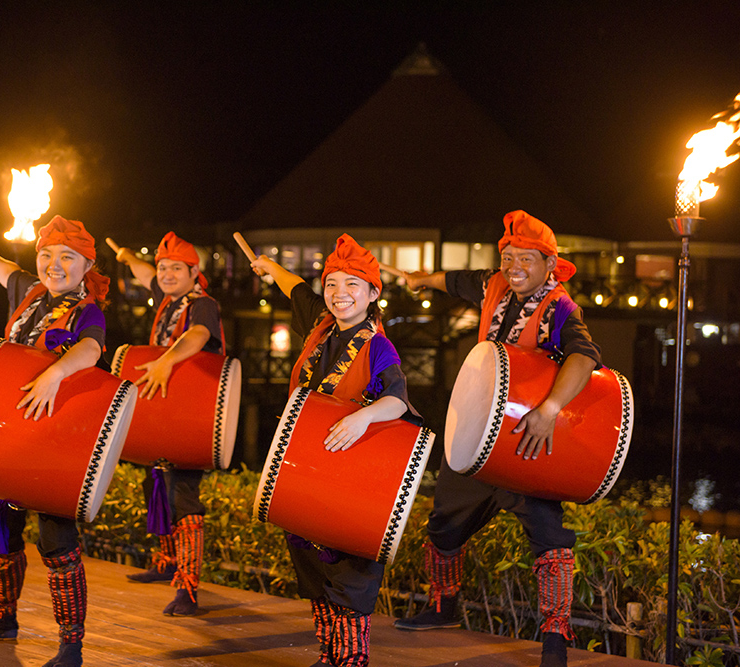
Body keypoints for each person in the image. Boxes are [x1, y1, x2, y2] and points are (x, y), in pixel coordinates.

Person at [391, 211, 602, 667]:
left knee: (549, 536)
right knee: (444, 523)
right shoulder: (494, 285)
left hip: (526, 440)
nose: (514, 267)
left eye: (526, 258)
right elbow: (455, 280)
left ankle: (555, 639)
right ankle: (444, 607)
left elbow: (585, 357)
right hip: (478, 432)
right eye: (508, 257)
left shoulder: (561, 307)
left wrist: (549, 410)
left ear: (550, 264)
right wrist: (420, 280)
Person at [0, 215, 110, 667]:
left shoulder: (87, 311)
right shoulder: (31, 294)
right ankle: (2, 619)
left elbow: (91, 349)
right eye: (47, 255)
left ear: (87, 266)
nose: (54, 265)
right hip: (9, 431)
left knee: (56, 539)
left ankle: (70, 645)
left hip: (54, 439)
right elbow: (8, 272)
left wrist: (55, 373)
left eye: (67, 257)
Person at [250, 234, 416, 667]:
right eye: (332, 284)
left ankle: (351, 660)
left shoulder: (377, 345)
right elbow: (295, 289)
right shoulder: (320, 329)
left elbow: (397, 400)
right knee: (314, 570)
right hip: (310, 469)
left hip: (351, 476)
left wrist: (363, 417)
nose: (340, 293)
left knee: (348, 577)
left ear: (373, 293)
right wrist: (269, 266)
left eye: (352, 285)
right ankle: (329, 655)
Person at [109, 231, 224, 617]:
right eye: (163, 268)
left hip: (192, 412)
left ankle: (188, 588)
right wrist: (128, 257)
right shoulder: (168, 298)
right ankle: (166, 561)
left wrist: (166, 360)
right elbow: (146, 275)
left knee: (182, 496)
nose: (167, 275)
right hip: (165, 409)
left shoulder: (202, 304)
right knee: (156, 484)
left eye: (177, 268)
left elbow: (199, 335)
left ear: (194, 272)